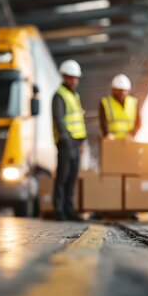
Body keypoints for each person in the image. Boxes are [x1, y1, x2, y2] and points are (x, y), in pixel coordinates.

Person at [52, 59, 87, 221]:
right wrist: (66, 139)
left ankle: (68, 209)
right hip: (66, 143)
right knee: (62, 176)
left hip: (76, 143)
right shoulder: (59, 95)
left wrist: (81, 142)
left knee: (72, 177)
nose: (73, 80)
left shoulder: (75, 96)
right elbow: (59, 119)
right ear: (64, 77)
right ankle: (59, 210)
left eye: (75, 77)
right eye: (70, 77)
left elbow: (78, 121)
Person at [99, 74, 141, 140]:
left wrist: (132, 134)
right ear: (113, 90)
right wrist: (107, 134)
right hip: (112, 141)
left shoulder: (134, 102)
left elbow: (138, 122)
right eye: (120, 90)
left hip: (128, 141)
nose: (122, 93)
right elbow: (103, 121)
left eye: (125, 90)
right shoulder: (105, 102)